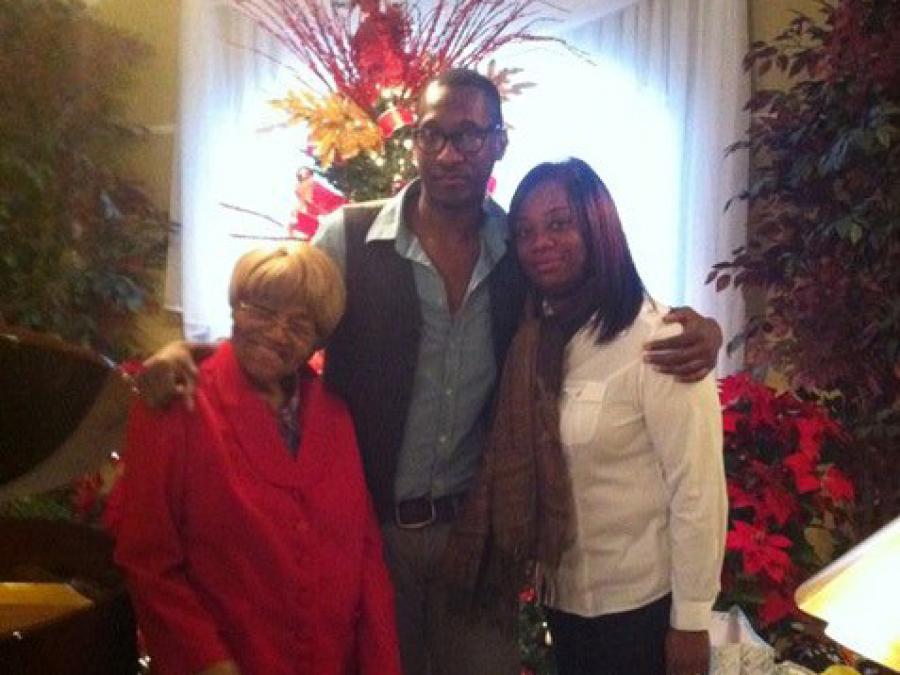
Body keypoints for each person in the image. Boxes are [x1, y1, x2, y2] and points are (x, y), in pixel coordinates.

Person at [138, 69, 724, 674]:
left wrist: (703, 330)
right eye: (432, 135)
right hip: (367, 532)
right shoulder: (350, 237)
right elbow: (282, 323)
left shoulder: (518, 249)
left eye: (469, 136)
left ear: (499, 142)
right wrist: (190, 353)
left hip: (472, 537)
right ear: (413, 140)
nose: (449, 153)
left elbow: (595, 292)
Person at [444, 158, 727, 675]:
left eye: (558, 224)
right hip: (563, 602)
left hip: (639, 611)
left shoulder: (660, 342)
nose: (540, 243)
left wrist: (690, 623)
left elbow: (698, 491)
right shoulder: (536, 338)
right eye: (525, 231)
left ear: (597, 226)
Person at [114, 244, 400, 675]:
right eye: (262, 311)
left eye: (300, 324)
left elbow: (366, 557)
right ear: (235, 308)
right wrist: (208, 662)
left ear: (317, 342)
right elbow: (147, 557)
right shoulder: (176, 402)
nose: (278, 333)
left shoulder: (335, 417)